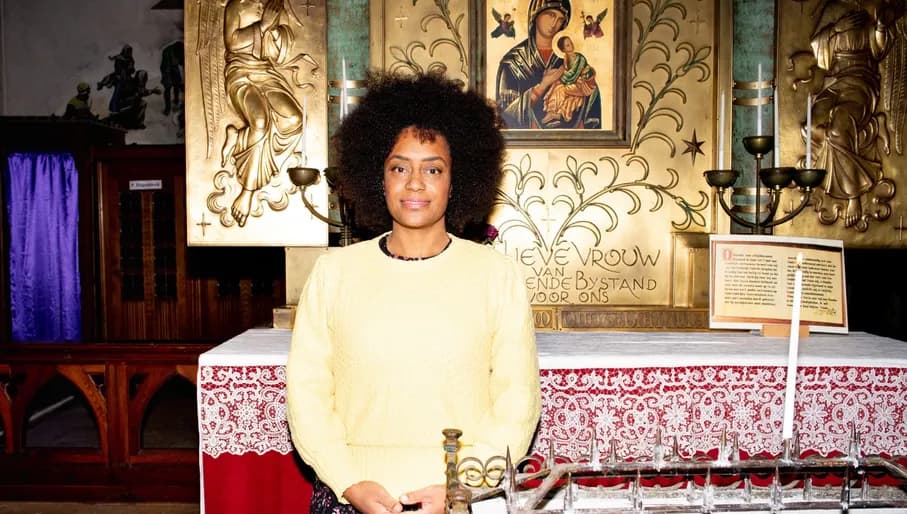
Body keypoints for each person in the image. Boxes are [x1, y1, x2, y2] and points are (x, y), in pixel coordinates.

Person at [286, 72, 541, 514]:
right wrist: (348, 482)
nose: (415, 183)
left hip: (462, 498)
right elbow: (307, 394)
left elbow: (517, 403)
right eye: (400, 168)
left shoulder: (497, 276)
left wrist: (460, 488)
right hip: (353, 496)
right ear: (378, 177)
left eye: (433, 169)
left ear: (456, 180)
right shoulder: (334, 273)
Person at [805, 0, 906, 227]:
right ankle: (875, 126)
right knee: (812, 127)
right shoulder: (832, 8)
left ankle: (853, 195)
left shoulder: (870, 7)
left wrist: (880, 27)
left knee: (838, 127)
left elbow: (879, 50)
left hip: (861, 81)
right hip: (835, 82)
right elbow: (816, 47)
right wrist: (836, 29)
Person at [221, 0, 309, 227]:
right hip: (241, 73)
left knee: (295, 119)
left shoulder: (272, 6)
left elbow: (278, 53)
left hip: (267, 73)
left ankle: (239, 138)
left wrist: (276, 33)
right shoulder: (237, 5)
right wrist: (262, 26)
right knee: (260, 122)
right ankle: (247, 193)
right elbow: (232, 43)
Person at [495, 0, 601, 129]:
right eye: (551, 15)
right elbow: (504, 116)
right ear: (535, 15)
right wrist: (542, 86)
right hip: (527, 140)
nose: (554, 23)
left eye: (560, 19)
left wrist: (587, 85)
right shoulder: (512, 62)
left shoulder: (570, 58)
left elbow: (592, 104)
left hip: (570, 138)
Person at [541, 35, 597, 125]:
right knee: (556, 86)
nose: (571, 45)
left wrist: (559, 75)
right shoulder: (566, 59)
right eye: (568, 45)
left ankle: (554, 114)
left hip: (584, 85)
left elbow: (571, 76)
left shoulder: (580, 58)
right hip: (573, 83)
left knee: (561, 89)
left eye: (570, 43)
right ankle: (553, 112)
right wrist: (557, 76)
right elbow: (566, 75)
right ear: (563, 50)